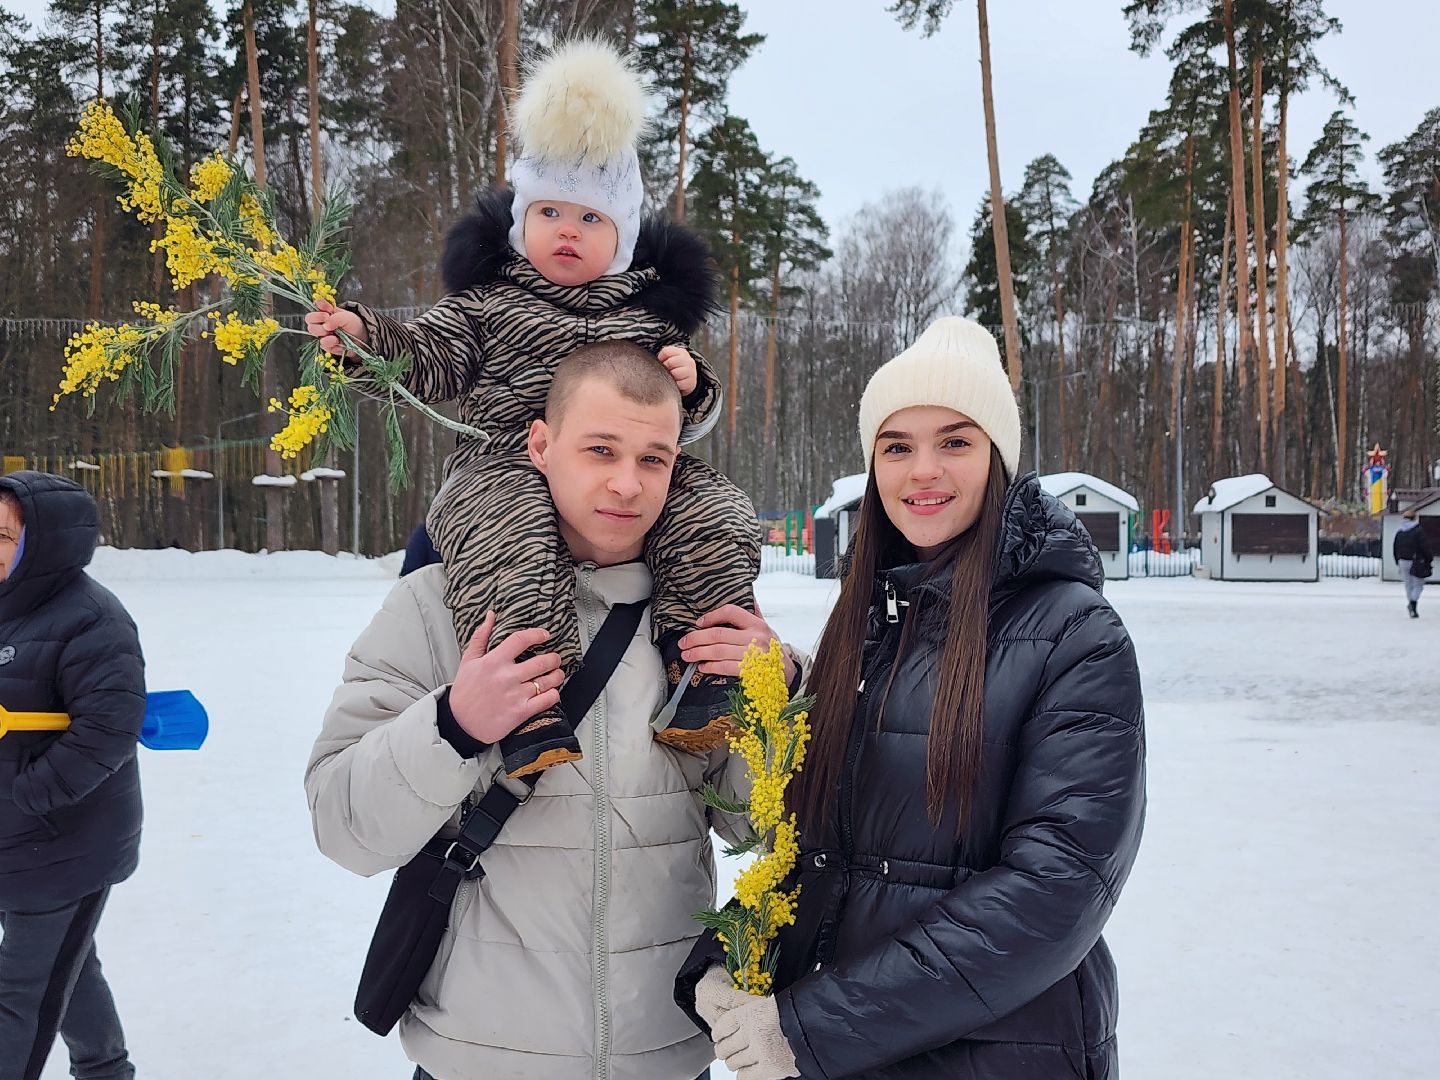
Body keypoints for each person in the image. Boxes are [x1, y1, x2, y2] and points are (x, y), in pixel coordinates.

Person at [307, 342, 795, 1080]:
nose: (627, 484)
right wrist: (453, 725)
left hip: (662, 1056)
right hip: (479, 1060)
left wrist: (777, 701)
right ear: (541, 443)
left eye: (653, 459)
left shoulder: (705, 619)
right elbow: (343, 829)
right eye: (600, 449)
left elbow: (755, 823)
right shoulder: (436, 607)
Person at [676, 316, 1147, 1080]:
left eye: (955, 442)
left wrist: (807, 1029)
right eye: (897, 446)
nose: (923, 470)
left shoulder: (1074, 634)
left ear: (998, 458)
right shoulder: (868, 623)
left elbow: (1054, 893)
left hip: (1000, 1057)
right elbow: (828, 854)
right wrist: (731, 954)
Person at [305, 39, 758, 781]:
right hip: (502, 466)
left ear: (623, 237)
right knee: (508, 529)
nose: (568, 230)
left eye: (590, 217)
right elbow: (427, 358)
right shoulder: (487, 305)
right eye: (549, 211)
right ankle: (532, 696)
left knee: (716, 507)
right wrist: (365, 340)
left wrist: (691, 382)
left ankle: (703, 671)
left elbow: (678, 415)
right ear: (521, 222)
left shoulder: (647, 318)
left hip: (627, 469)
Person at [0, 471, 145, 1080]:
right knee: (68, 965)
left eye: (3, 535)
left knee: (20, 995)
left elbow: (106, 730)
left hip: (64, 845)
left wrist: (30, 796)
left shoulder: (93, 620)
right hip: (16, 842)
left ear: (46, 543)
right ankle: (106, 1070)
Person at [1392, 507, 1432, 618]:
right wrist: (1429, 559)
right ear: (1414, 518)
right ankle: (1413, 603)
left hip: (1402, 561)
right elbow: (1425, 546)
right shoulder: (1418, 530)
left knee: (1408, 584)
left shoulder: (1400, 531)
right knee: (1418, 584)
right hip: (1417, 561)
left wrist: (1397, 560)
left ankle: (1411, 605)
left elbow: (1395, 547)